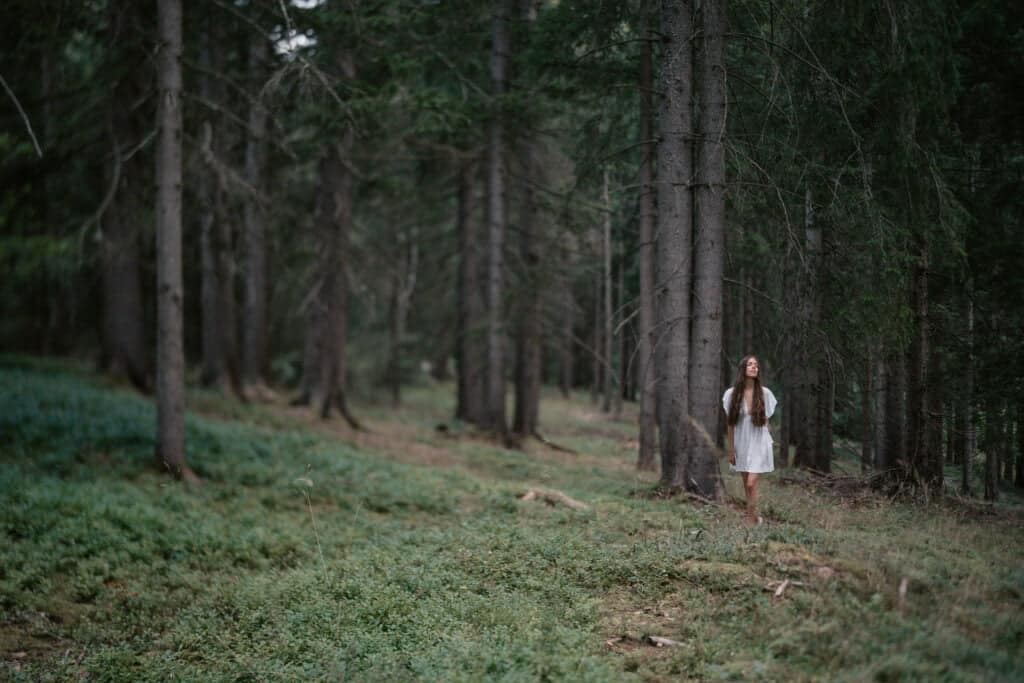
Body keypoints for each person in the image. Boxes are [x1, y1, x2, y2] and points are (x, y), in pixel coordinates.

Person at [722, 355, 777, 525]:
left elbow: (766, 419)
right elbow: (731, 424)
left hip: (759, 441)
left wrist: (770, 437)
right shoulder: (732, 394)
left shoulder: (765, 393)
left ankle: (752, 520)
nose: (754, 367)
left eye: (756, 365)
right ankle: (753, 519)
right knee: (746, 484)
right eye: (750, 364)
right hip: (742, 442)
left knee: (752, 483)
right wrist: (731, 449)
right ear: (743, 369)